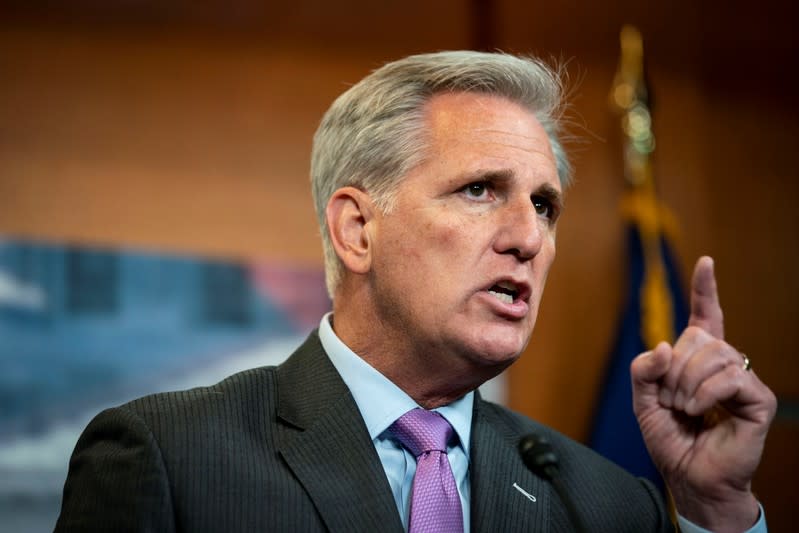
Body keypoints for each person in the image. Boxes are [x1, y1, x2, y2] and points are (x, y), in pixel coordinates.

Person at [55, 51, 776, 532]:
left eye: (544, 205)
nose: (528, 237)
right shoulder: (168, 457)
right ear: (356, 229)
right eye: (479, 189)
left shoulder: (606, 502)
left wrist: (717, 507)